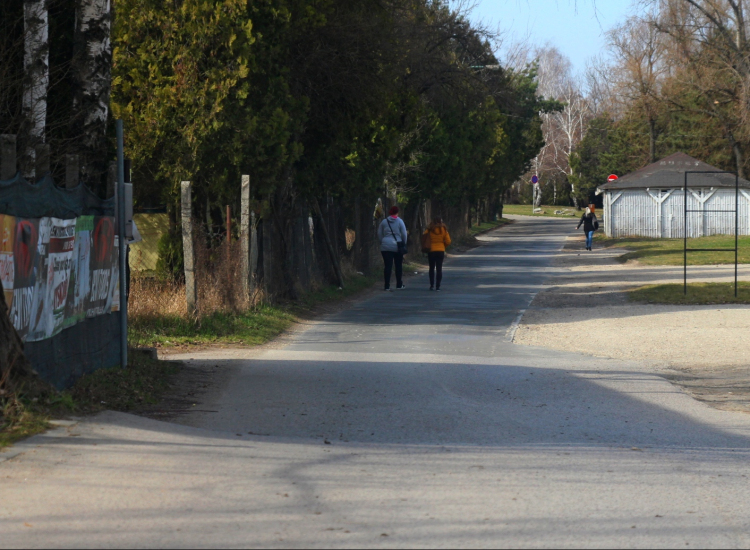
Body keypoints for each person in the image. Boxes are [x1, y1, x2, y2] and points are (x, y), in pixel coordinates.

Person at [377, 205, 408, 290]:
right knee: (398, 265)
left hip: (385, 246)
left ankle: (386, 286)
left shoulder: (384, 222)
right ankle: (399, 284)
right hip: (397, 246)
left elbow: (379, 233)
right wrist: (403, 244)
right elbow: (404, 234)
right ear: (397, 212)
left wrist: (383, 241)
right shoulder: (400, 221)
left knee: (387, 266)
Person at [423, 217, 451, 291]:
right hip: (440, 250)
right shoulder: (444, 229)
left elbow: (424, 237)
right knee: (439, 269)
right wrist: (443, 246)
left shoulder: (429, 229)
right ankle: (438, 286)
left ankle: (431, 285)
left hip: (431, 250)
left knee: (431, 268)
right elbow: (448, 241)